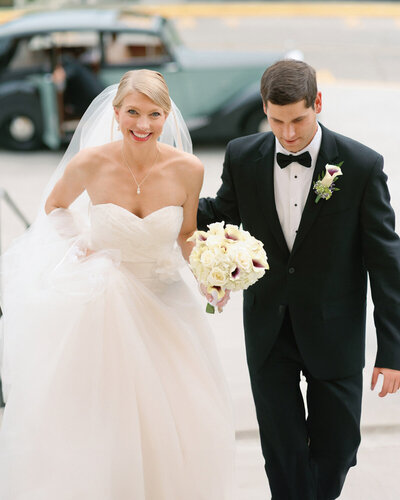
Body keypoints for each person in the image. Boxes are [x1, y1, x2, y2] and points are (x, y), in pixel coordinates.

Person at [0, 70, 235, 499]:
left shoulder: (188, 169)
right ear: (115, 112)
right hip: (101, 305)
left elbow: (185, 234)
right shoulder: (91, 162)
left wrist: (209, 273)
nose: (142, 125)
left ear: (167, 116)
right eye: (132, 112)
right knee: (102, 422)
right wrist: (81, 247)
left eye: (153, 114)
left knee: (175, 423)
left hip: (165, 304)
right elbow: (54, 208)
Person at [198, 59, 400, 500]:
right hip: (269, 332)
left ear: (319, 103)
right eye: (276, 120)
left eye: (298, 120)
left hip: (335, 335)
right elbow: (219, 214)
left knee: (339, 449)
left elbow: (387, 262)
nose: (287, 133)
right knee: (282, 453)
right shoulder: (241, 156)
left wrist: (392, 349)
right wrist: (161, 190)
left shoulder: (361, 165)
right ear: (265, 111)